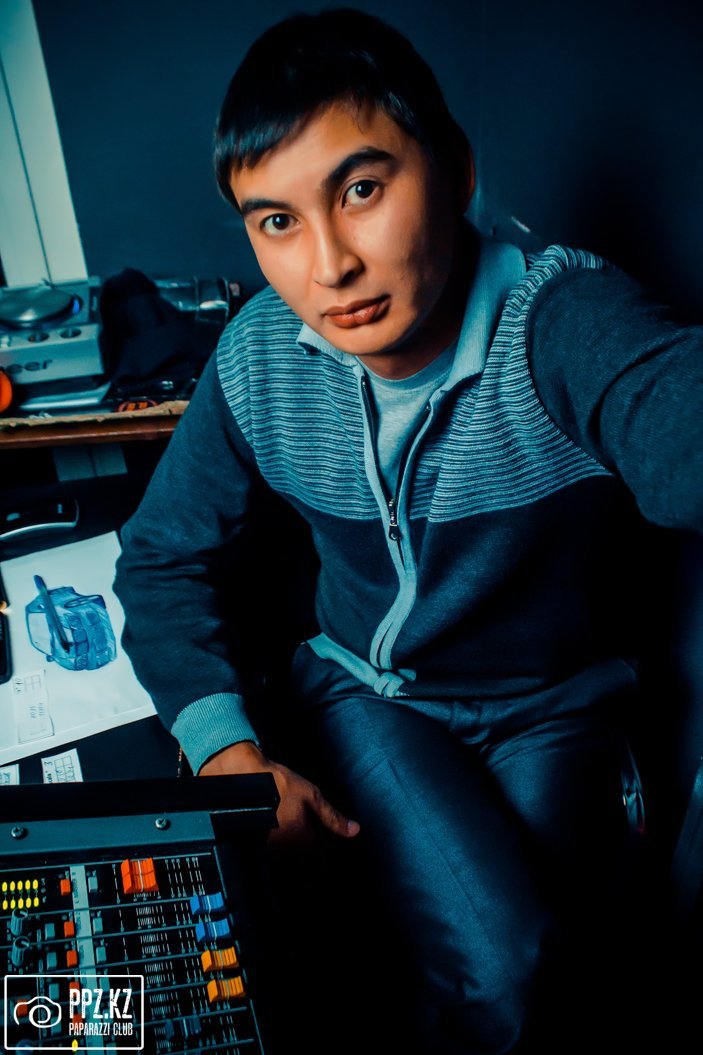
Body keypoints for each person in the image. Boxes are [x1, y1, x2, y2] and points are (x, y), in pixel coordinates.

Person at [113, 8, 703, 1053]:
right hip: (370, 693)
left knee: (564, 963)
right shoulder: (257, 355)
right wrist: (227, 752)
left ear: (457, 170)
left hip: (554, 702)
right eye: (276, 220)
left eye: (361, 190)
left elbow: (674, 413)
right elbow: (162, 557)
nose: (329, 265)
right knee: (503, 962)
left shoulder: (562, 319)